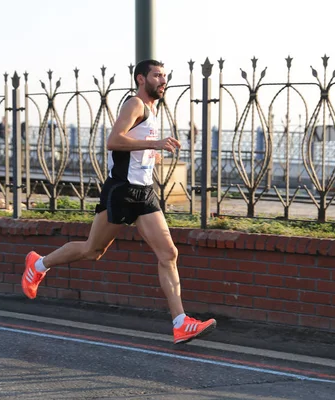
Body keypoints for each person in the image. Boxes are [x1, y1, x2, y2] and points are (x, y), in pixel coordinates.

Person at [22, 59, 216, 344]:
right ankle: (38, 265)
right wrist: (154, 144)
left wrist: (151, 154)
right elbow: (114, 141)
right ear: (141, 78)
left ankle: (180, 323)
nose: (163, 80)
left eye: (164, 75)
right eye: (157, 75)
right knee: (92, 250)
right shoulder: (134, 104)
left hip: (144, 192)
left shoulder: (150, 110)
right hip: (122, 190)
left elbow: (131, 146)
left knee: (169, 254)